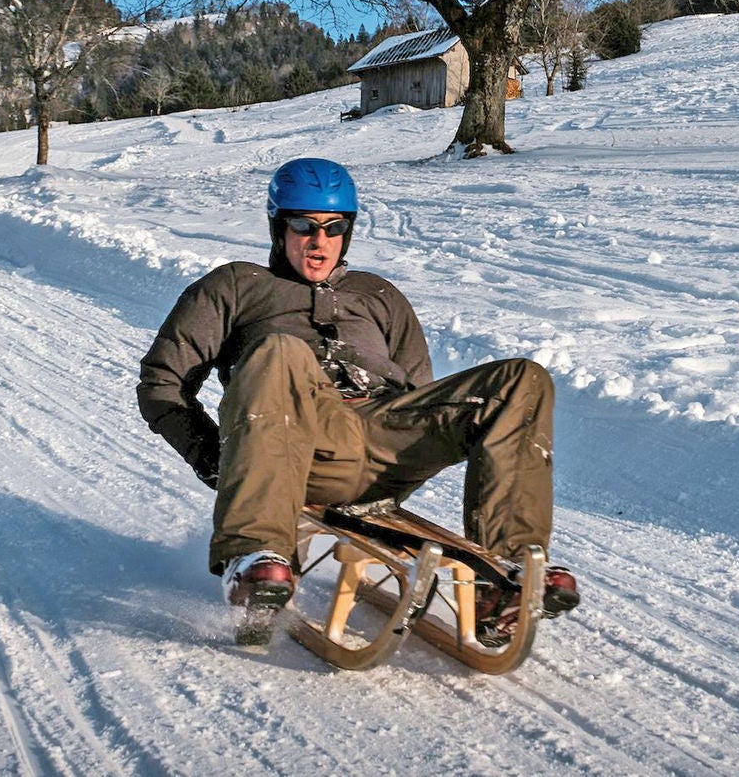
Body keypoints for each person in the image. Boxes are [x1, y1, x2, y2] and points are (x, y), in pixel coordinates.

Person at [137, 157, 579, 646]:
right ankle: (253, 555)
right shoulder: (235, 286)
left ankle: (506, 573)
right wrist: (220, 461)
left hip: (384, 442)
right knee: (280, 351)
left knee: (521, 380)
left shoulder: (380, 294)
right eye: (302, 226)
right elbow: (162, 382)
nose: (317, 241)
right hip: (298, 446)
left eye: (333, 228)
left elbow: (419, 392)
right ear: (277, 226)